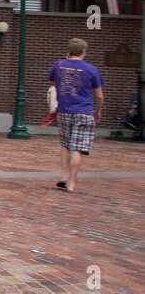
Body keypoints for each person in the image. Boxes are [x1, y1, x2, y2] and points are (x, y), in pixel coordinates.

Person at [49, 37, 103, 193]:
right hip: (84, 111)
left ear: (68, 51)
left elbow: (53, 87)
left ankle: (64, 177)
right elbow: (99, 95)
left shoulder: (58, 65)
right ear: (84, 52)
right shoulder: (92, 69)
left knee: (65, 144)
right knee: (77, 148)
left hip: (65, 110)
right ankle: (72, 183)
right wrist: (98, 111)